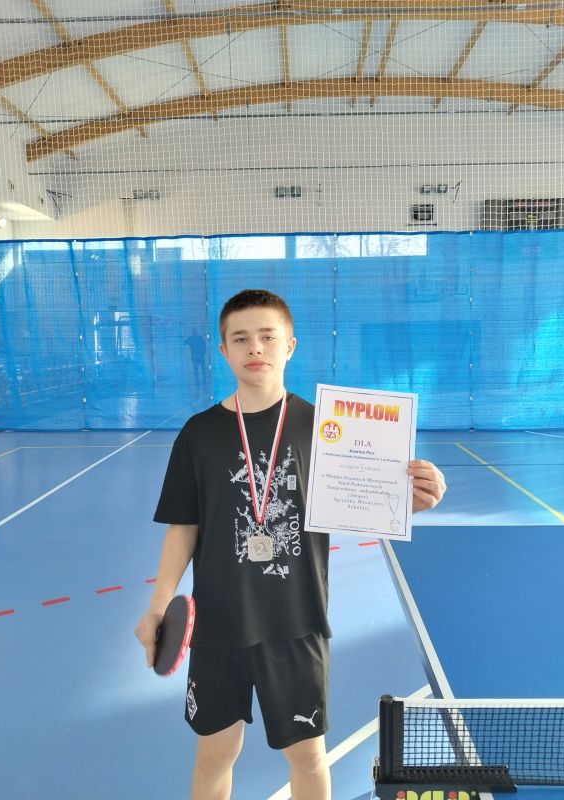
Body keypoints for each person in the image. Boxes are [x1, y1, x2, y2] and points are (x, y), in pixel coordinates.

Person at [134, 289, 446, 800]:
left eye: (267, 336)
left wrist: (410, 501)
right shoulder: (198, 434)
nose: (255, 348)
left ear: (290, 346)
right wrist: (157, 606)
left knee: (307, 757)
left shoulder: (327, 428)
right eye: (240, 339)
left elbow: (362, 501)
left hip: (298, 624)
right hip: (218, 627)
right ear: (224, 351)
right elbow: (183, 527)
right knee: (215, 754)